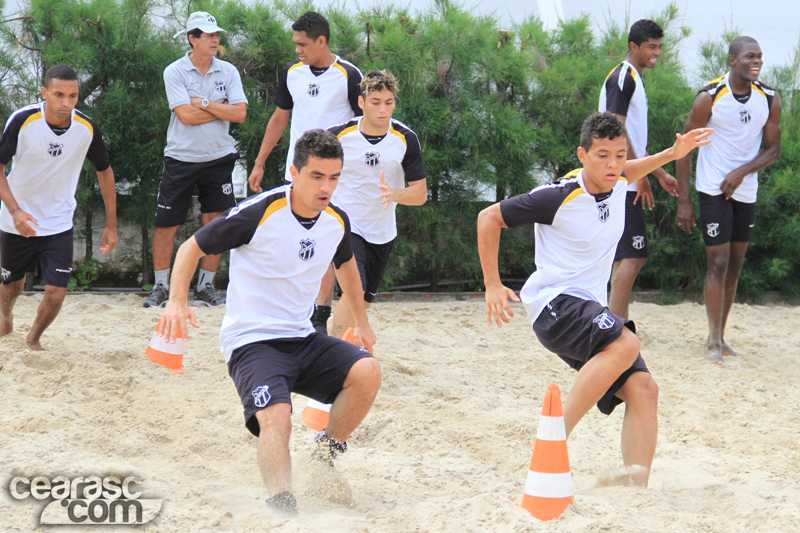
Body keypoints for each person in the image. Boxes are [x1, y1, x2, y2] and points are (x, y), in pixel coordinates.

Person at [478, 112, 711, 486]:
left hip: (587, 308)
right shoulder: (558, 195)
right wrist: (492, 283)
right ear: (582, 154)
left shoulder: (619, 179)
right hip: (554, 305)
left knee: (644, 390)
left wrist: (672, 152)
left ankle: (635, 489)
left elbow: (632, 169)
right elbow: (488, 217)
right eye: (602, 155)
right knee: (627, 340)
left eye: (619, 154)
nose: (613, 164)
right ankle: (554, 435)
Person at [157, 129, 381, 516]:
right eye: (316, 176)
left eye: (334, 177)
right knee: (278, 417)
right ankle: (282, 506)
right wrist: (176, 300)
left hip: (302, 336)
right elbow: (191, 247)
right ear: (294, 172)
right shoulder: (261, 210)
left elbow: (345, 266)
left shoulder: (336, 221)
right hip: (252, 341)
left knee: (368, 371)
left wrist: (361, 321)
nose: (326, 187)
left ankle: (324, 456)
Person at [248, 11, 363, 333]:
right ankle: (290, 307)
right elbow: (279, 118)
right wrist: (259, 162)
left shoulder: (349, 75)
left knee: (326, 239)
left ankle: (319, 312)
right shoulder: (293, 73)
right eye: (295, 44)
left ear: (321, 41)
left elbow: (364, 125)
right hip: (297, 173)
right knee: (292, 236)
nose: (297, 49)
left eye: (302, 44)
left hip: (332, 176)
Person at [676, 36, 781, 363]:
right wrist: (684, 200)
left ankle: (720, 335)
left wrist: (742, 172)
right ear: (733, 60)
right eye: (750, 57)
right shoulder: (709, 97)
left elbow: (774, 150)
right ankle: (713, 343)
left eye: (760, 57)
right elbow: (685, 148)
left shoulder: (770, 98)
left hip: (745, 192)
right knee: (718, 263)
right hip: (712, 190)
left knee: (735, 265)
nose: (757, 62)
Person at [0, 65, 117, 350]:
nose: (66, 103)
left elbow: (105, 172)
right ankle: (5, 319)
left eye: (73, 96)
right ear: (45, 93)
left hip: (58, 223)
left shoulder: (86, 128)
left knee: (55, 293)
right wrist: (15, 211)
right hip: (15, 221)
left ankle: (33, 339)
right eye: (59, 95)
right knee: (12, 287)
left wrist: (111, 225)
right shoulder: (23, 120)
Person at [143, 11, 248, 308]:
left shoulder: (228, 71)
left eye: (217, 35)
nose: (215, 40)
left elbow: (239, 113)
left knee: (215, 224)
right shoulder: (174, 71)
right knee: (166, 224)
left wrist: (202, 102)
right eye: (208, 35)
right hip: (181, 157)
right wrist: (219, 107)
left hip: (219, 158)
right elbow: (185, 118)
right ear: (193, 39)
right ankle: (161, 286)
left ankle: (205, 287)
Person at [327, 70, 427, 336]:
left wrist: (395, 194)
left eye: (389, 102)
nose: (383, 109)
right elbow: (312, 174)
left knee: (364, 301)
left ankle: (336, 340)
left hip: (382, 231)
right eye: (376, 102)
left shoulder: (406, 138)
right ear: (361, 103)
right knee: (354, 290)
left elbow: (420, 194)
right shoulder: (337, 136)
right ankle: (335, 355)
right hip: (346, 224)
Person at [599, 19, 679, 320]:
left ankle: (616, 322)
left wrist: (659, 174)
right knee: (634, 256)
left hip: (625, 176)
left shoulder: (632, 77)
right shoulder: (623, 77)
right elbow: (615, 129)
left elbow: (629, 135)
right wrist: (640, 176)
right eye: (651, 47)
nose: (657, 53)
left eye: (659, 47)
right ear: (634, 47)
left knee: (625, 257)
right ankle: (612, 328)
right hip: (621, 180)